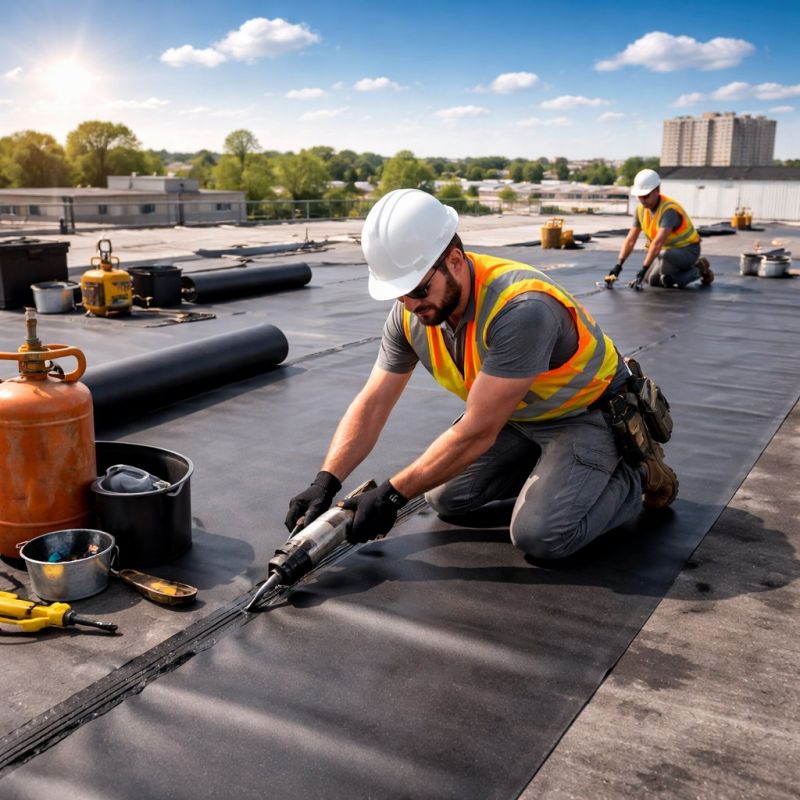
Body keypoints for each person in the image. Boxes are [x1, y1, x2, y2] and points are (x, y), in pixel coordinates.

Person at [286, 189, 678, 559]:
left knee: (540, 536)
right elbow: (373, 403)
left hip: (587, 415)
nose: (410, 304)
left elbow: (477, 430)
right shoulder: (410, 314)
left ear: (455, 259)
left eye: (419, 290)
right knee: (443, 498)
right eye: (399, 293)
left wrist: (391, 495)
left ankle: (635, 474)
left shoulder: (522, 309)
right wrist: (327, 481)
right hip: (518, 417)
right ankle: (556, 469)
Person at [605, 168, 713, 289]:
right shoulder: (640, 210)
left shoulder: (668, 211)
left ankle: (699, 268)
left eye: (646, 196)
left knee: (667, 272)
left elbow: (657, 243)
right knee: (650, 279)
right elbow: (631, 240)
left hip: (688, 251)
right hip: (665, 252)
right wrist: (618, 266)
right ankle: (670, 275)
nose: (643, 200)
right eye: (640, 196)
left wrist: (643, 267)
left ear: (657, 190)